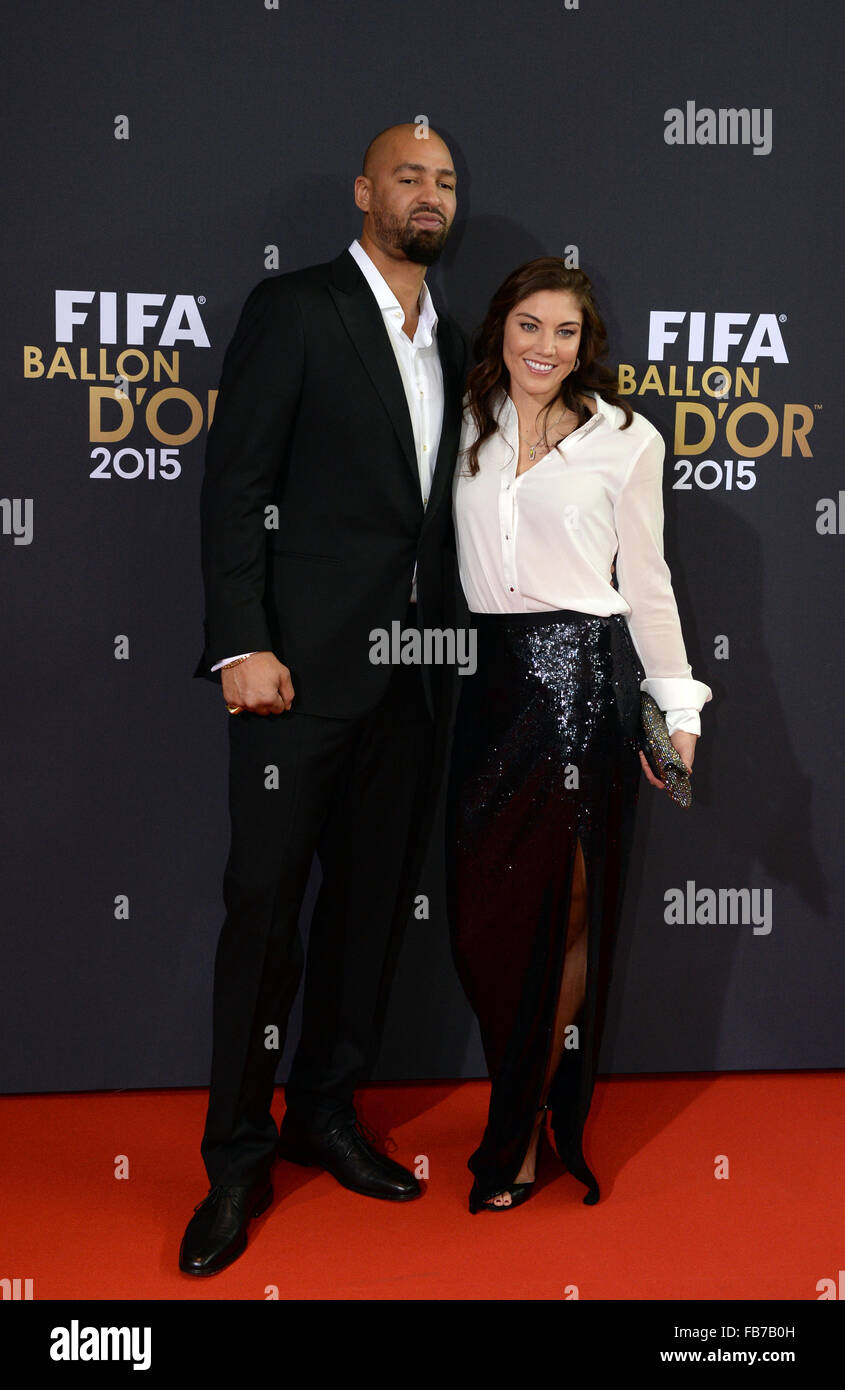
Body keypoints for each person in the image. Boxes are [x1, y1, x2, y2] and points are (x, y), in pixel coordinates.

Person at [180, 123, 467, 1275]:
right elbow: (232, 483)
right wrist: (239, 643)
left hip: (413, 677)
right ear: (364, 191)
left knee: (366, 915)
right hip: (292, 678)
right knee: (263, 919)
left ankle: (327, 1112)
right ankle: (235, 1166)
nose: (429, 194)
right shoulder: (294, 309)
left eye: (446, 181)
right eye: (409, 175)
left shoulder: (460, 340)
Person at [446, 258, 712, 1212]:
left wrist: (674, 708)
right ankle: (531, 1099)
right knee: (483, 927)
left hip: (581, 689)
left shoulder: (623, 437)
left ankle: (516, 1133)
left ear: (584, 344)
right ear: (500, 329)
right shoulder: (461, 421)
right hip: (482, 692)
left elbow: (646, 582)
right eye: (528, 326)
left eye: (563, 333)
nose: (544, 349)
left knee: (562, 913)